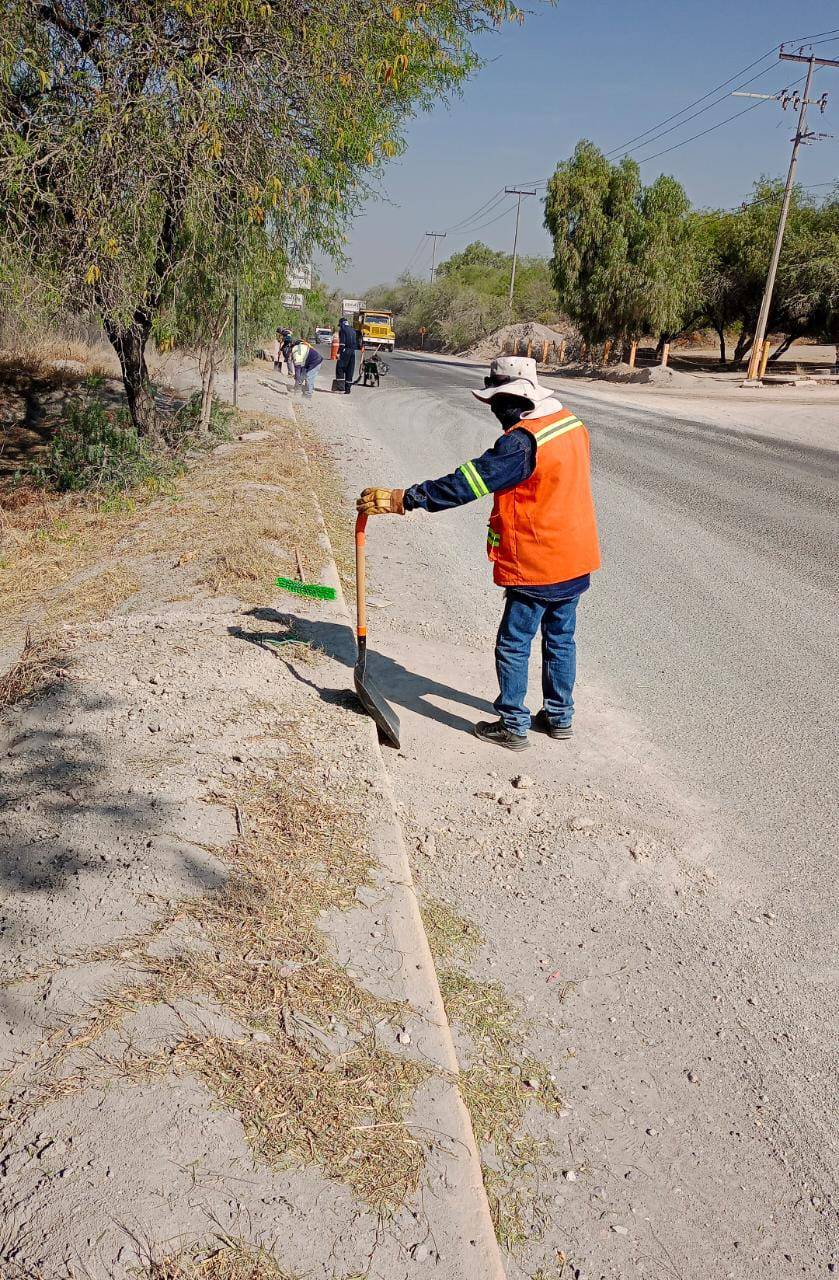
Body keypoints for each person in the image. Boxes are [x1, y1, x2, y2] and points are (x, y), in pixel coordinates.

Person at [356, 356, 600, 751]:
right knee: (560, 639)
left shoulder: (521, 443)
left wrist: (407, 499)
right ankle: (559, 716)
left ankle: (513, 725)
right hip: (575, 553)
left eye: (495, 404)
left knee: (514, 641)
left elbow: (468, 482)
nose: (493, 413)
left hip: (538, 560)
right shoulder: (568, 423)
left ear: (512, 399)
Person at [335, 317, 361, 394]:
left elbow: (342, 343)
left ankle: (340, 387)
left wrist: (339, 352)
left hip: (345, 351)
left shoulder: (343, 330)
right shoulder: (353, 331)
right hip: (352, 352)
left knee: (340, 368)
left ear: (342, 324)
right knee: (350, 370)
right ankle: (348, 389)